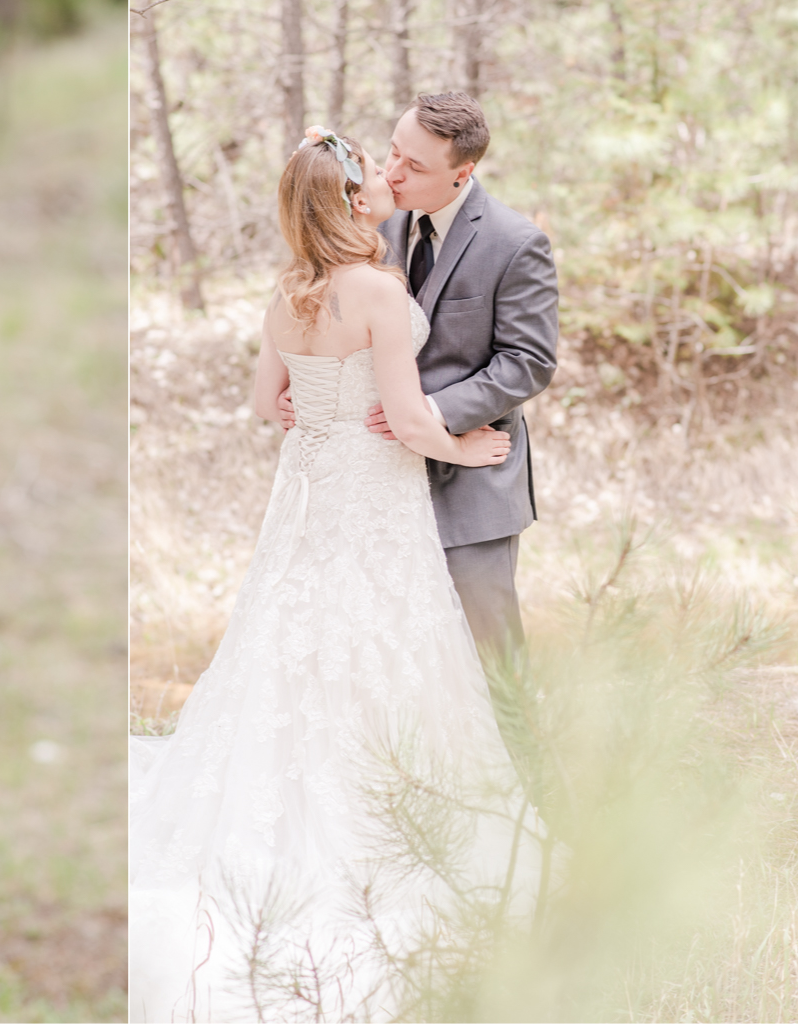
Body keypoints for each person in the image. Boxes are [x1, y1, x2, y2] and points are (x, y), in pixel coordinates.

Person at [129, 128, 543, 1022]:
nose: (389, 178)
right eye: (374, 174)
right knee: (388, 636)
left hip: (308, 491)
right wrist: (467, 449)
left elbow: (261, 403)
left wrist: (312, 406)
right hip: (376, 492)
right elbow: (405, 417)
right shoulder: (376, 290)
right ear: (355, 203)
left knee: (291, 630)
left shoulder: (291, 292)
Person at [282, 92, 559, 666]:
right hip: (373, 483)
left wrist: (428, 413)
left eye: (416, 166)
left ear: (463, 174)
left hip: (471, 479)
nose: (393, 172)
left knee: (489, 654)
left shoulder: (515, 244)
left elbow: (528, 360)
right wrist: (306, 391)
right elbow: (323, 307)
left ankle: (524, 758)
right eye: (393, 152)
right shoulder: (375, 221)